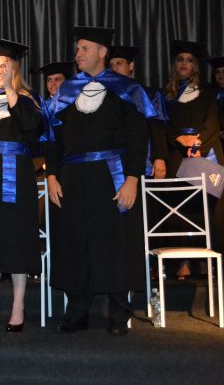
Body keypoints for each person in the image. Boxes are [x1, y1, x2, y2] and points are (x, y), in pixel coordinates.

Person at [45, 26, 157, 336]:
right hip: (72, 177)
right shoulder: (67, 91)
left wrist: (132, 178)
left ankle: (119, 314)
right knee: (75, 240)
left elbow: (138, 138)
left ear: (102, 52)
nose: (78, 53)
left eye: (84, 48)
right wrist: (52, 174)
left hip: (112, 175)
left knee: (114, 241)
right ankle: (77, 313)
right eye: (77, 48)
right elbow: (53, 138)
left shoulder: (126, 89)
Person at [0, 40, 42, 333]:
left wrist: (10, 90)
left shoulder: (27, 98)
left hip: (17, 173)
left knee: (17, 236)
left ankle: (18, 305)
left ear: (15, 68)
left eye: (5, 66)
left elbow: (30, 128)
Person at [163, 41, 224, 276]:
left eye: (189, 60)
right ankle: (182, 262)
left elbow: (212, 122)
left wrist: (197, 144)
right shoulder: (165, 95)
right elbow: (162, 124)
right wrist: (179, 139)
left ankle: (209, 261)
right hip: (176, 156)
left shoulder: (208, 93)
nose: (184, 64)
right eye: (180, 60)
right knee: (179, 210)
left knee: (207, 211)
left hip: (205, 154)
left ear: (195, 65)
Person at [108, 45, 169, 179]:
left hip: (143, 158)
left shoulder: (148, 93)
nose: (114, 69)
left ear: (131, 66)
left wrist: (159, 157)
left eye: (119, 64)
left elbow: (156, 126)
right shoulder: (105, 95)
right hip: (113, 161)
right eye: (111, 65)